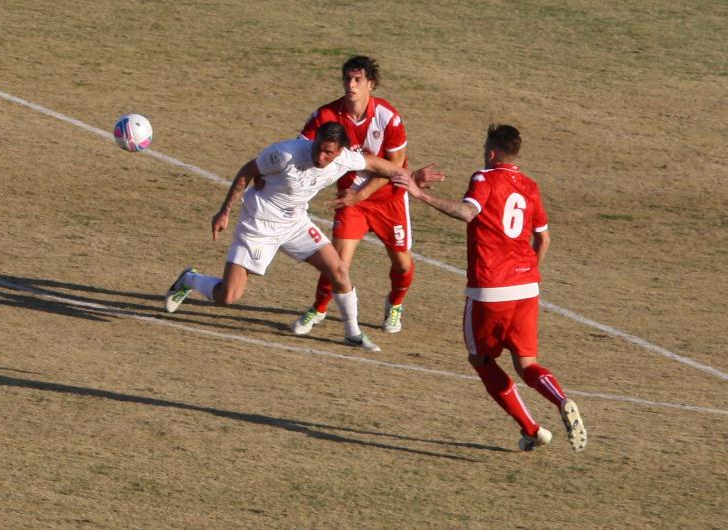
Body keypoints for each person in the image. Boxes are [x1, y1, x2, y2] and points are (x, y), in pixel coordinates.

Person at [393, 124, 587, 452]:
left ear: (492, 152)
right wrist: (527, 270)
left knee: (480, 360)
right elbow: (544, 238)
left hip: (490, 288)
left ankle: (531, 428)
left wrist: (420, 193)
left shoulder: (484, 178)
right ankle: (560, 399)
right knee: (526, 363)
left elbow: (468, 212)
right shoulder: (530, 186)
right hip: (526, 287)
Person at [164, 121, 412, 353]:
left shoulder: (345, 159)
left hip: (295, 225)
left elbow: (378, 165)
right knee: (228, 296)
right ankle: (190, 279)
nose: (320, 156)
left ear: (339, 153)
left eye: (327, 153)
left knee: (338, 270)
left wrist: (410, 179)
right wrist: (224, 211)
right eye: (318, 148)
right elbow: (247, 171)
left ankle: (353, 333)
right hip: (258, 225)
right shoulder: (285, 154)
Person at [292, 55, 415, 337]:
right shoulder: (326, 116)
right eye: (347, 78)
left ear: (370, 84)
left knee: (402, 263)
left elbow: (395, 167)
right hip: (352, 202)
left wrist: (360, 195)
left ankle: (395, 304)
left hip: (389, 199)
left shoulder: (388, 118)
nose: (351, 84)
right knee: (338, 262)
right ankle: (319, 309)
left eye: (358, 79)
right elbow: (300, 149)